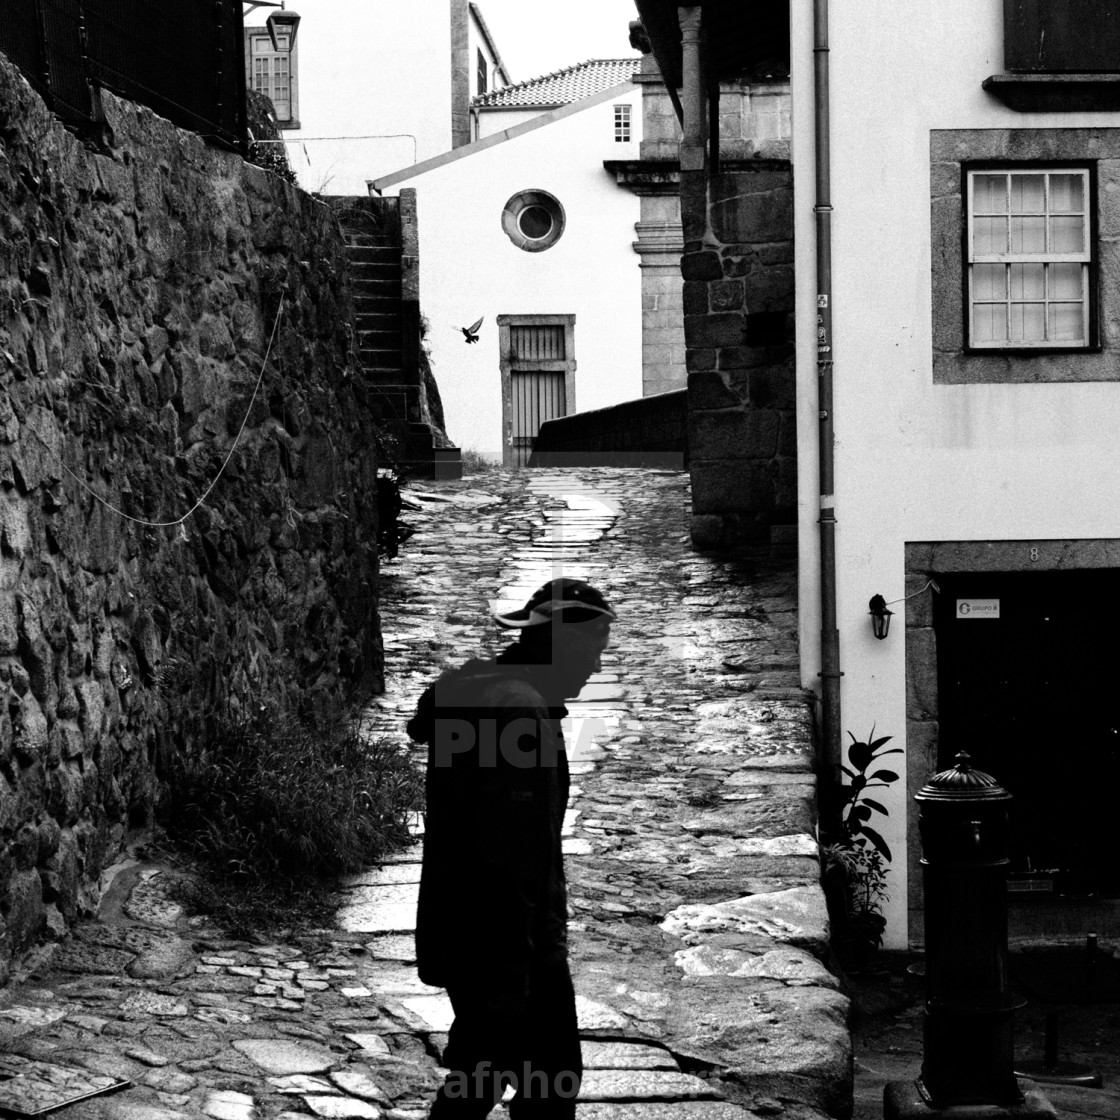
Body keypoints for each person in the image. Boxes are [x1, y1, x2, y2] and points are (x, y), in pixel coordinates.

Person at [406, 578, 616, 1120]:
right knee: (545, 1082)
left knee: (485, 1074)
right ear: (562, 646)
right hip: (507, 941)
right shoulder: (520, 714)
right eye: (591, 652)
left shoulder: (479, 694)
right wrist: (515, 966)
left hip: (466, 927)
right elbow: (513, 850)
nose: (595, 667)